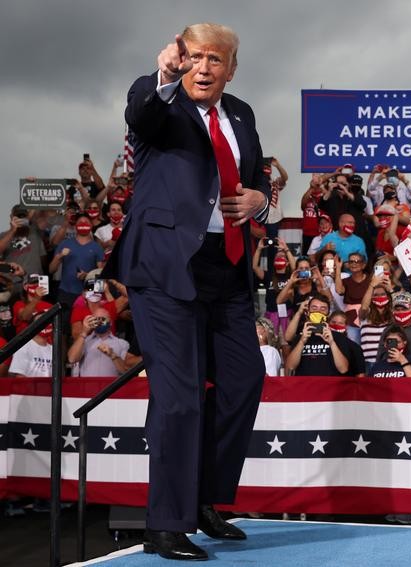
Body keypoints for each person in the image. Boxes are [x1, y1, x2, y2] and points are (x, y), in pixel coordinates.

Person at [102, 24, 271, 561]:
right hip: (164, 270)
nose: (203, 67)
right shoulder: (159, 99)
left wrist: (259, 202)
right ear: (180, 59)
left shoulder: (241, 113)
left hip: (228, 271)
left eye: (214, 60)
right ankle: (165, 524)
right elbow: (140, 115)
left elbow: (257, 173)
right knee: (177, 399)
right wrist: (163, 77)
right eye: (193, 57)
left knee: (245, 380)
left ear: (231, 67)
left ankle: (204, 501)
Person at [286, 294, 351, 376]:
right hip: (305, 387)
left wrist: (332, 343)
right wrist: (302, 342)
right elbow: (290, 367)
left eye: (323, 309)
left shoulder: (339, 337)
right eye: (314, 308)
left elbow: (343, 369)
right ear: (308, 312)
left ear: (328, 314)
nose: (318, 312)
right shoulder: (299, 338)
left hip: (329, 386)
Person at [67, 308, 131, 377]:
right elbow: (72, 359)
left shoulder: (122, 344)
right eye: (96, 320)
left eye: (102, 319)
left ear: (111, 322)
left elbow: (125, 370)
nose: (99, 323)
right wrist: (84, 332)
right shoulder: (84, 341)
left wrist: (113, 355)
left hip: (112, 387)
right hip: (89, 386)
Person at [8, 312, 53, 377]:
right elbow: (19, 377)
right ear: (32, 326)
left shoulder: (53, 349)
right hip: (28, 386)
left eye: (48, 321)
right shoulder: (23, 346)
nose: (45, 324)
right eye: (41, 320)